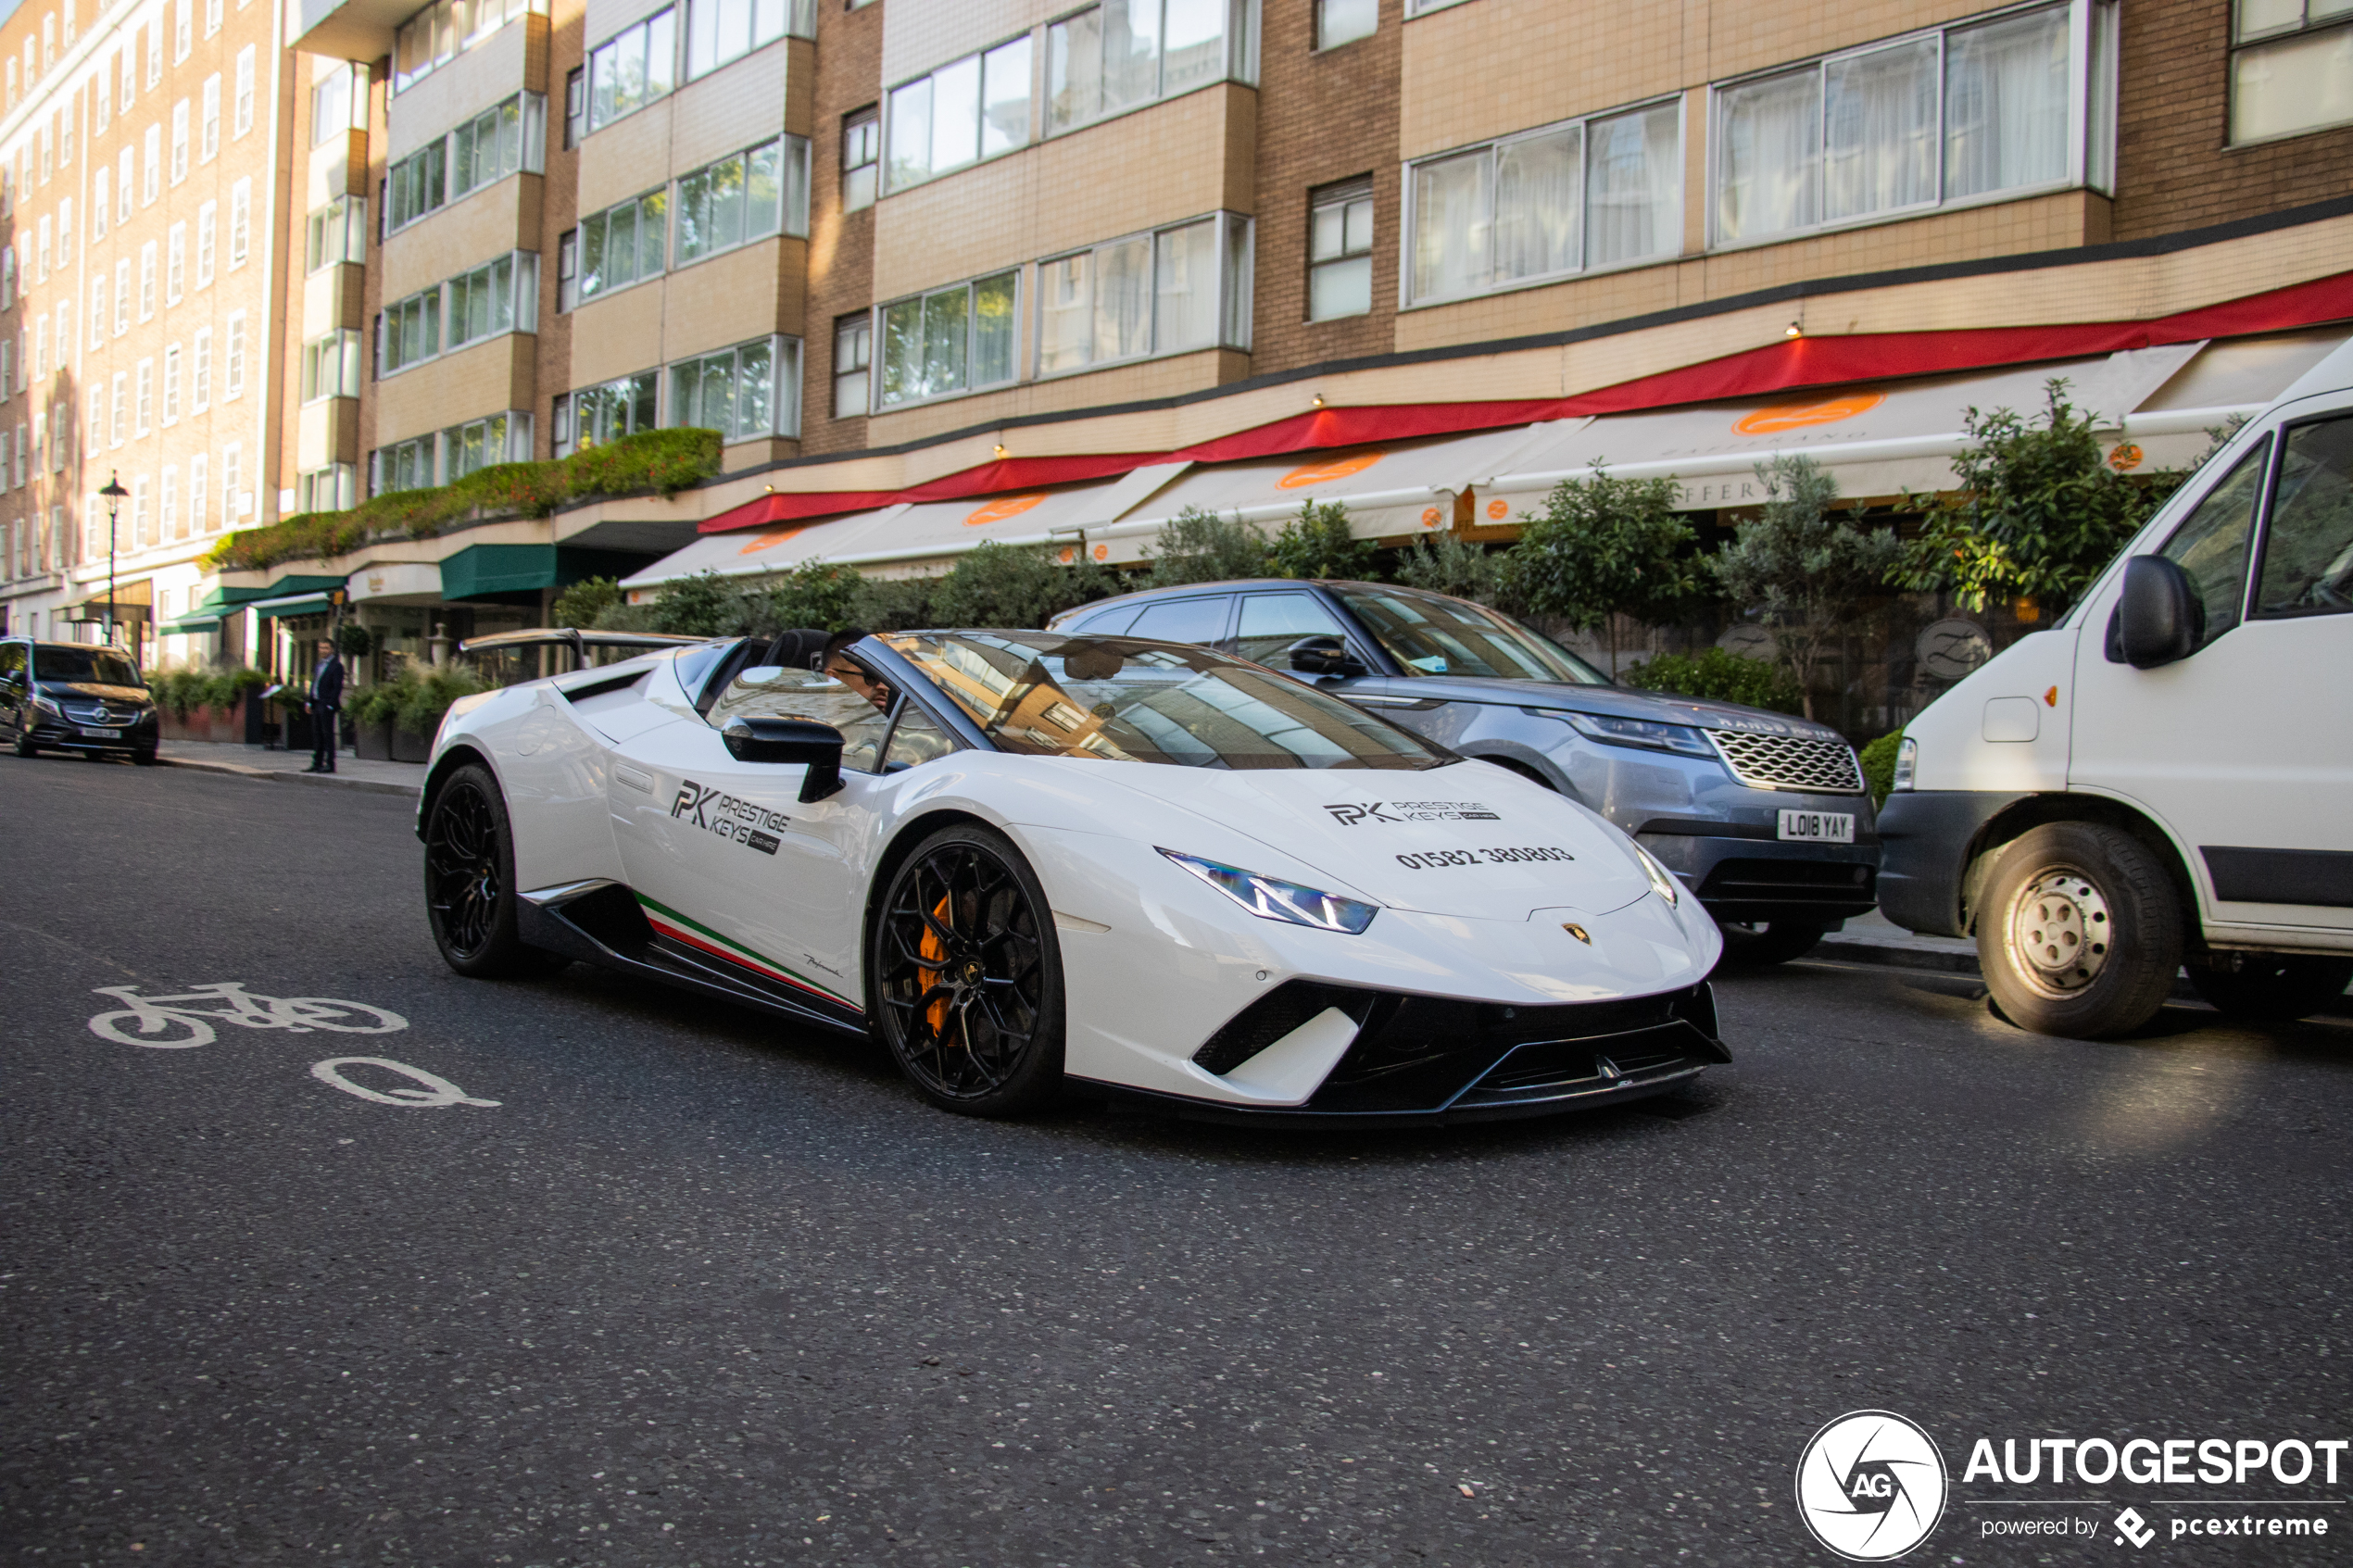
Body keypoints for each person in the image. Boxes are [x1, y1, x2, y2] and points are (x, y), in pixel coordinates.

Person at [822, 629, 892, 713]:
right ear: (833, 679)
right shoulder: (807, 725)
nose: (884, 687)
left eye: (886, 678)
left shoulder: (896, 723)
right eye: (871, 677)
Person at [306, 638, 346, 773]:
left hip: (326, 704)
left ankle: (330, 764)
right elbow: (314, 684)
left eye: (326, 648)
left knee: (327, 734)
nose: (323, 650)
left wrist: (330, 704)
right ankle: (317, 763)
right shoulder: (318, 665)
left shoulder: (337, 666)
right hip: (316, 703)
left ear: (332, 649)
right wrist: (309, 702)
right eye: (321, 648)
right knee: (317, 735)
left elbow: (337, 687)